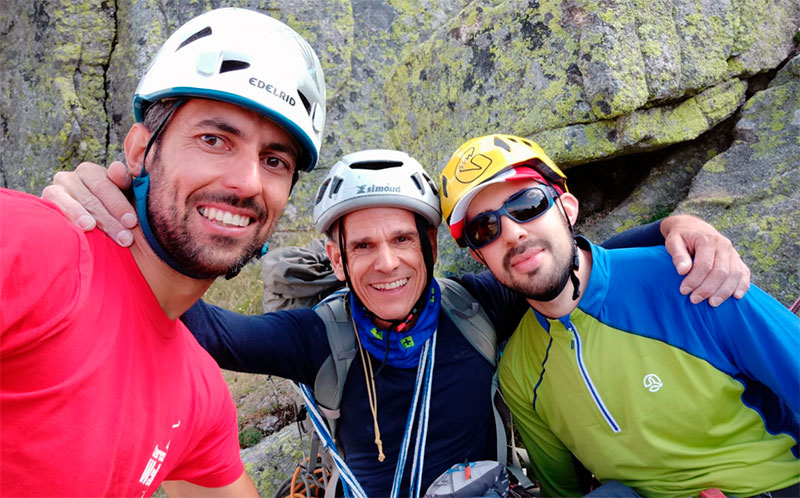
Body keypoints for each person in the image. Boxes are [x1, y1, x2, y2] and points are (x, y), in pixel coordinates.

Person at [43, 149, 748, 497]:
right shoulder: (317, 336)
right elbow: (202, 325)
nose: (386, 263)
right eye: (364, 245)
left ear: (430, 248)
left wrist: (676, 225)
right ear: (336, 255)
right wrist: (119, 226)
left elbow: (576, 262)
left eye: (403, 241)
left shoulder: (475, 306)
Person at [0, 7, 326, 496]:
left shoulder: (200, 396)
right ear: (139, 151)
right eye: (214, 139)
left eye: (274, 160)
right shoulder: (34, 245)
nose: (247, 182)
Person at [439, 134, 800, 497]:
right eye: (485, 228)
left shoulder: (691, 278)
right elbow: (563, 491)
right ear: (478, 257)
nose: (513, 233)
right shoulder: (519, 372)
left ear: (567, 207)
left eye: (528, 204)